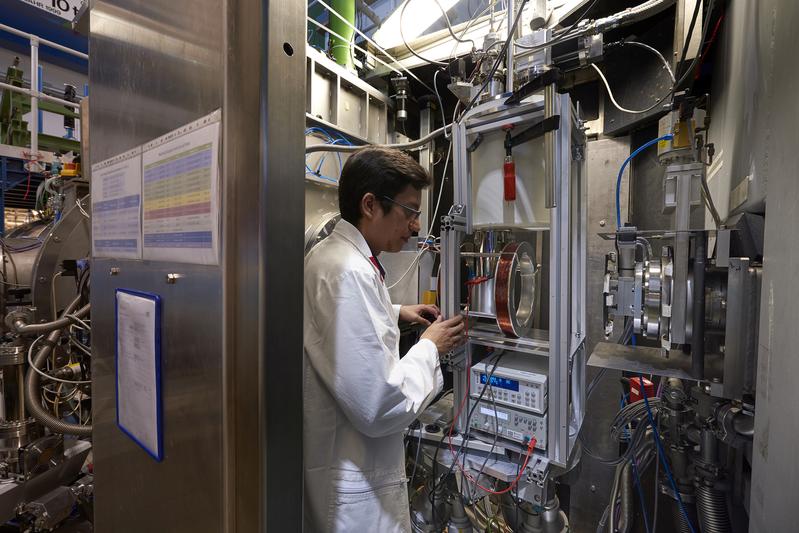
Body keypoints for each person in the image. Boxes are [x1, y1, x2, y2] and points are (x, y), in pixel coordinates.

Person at [303, 146, 465, 532]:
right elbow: (378, 404)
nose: (414, 226)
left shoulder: (335, 257)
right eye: (409, 211)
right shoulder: (347, 272)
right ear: (370, 205)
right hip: (354, 491)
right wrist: (431, 346)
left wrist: (395, 312)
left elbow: (337, 325)